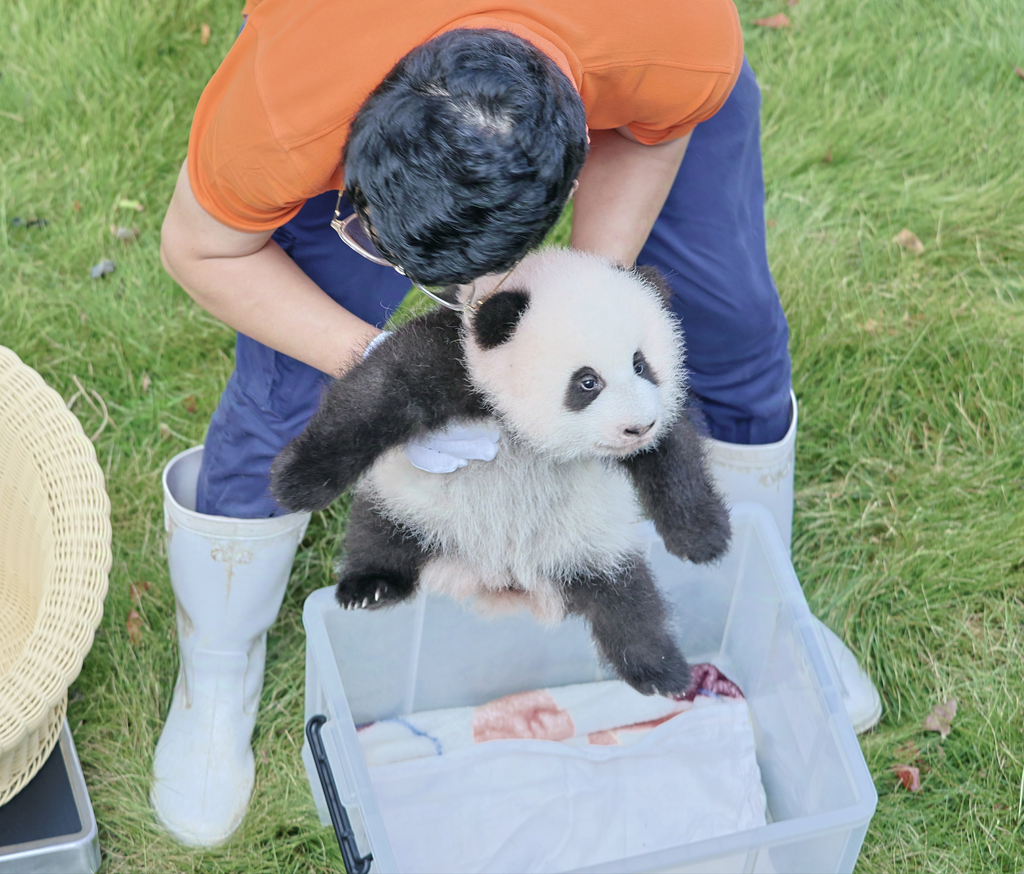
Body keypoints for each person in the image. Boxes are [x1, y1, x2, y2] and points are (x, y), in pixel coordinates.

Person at [155, 0, 881, 847]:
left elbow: (651, 132)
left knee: (732, 324)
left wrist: (586, 313)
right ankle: (217, 664)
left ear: (570, 162)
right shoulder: (287, 103)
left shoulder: (676, 37)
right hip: (345, 77)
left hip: (624, 61)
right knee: (283, 391)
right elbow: (196, 246)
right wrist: (372, 360)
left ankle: (757, 605)